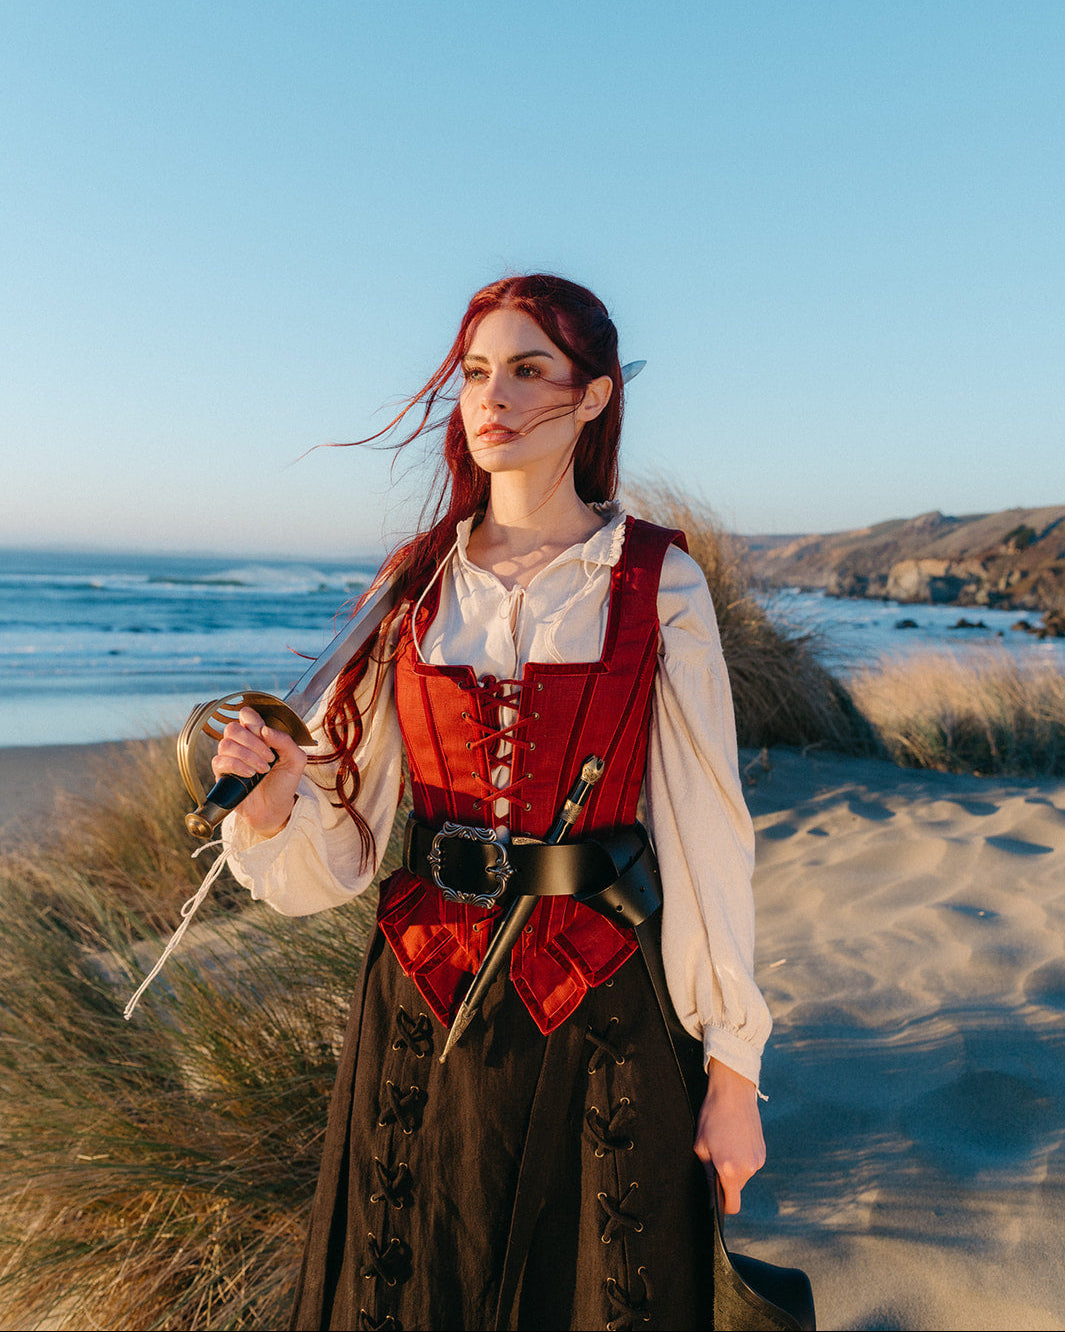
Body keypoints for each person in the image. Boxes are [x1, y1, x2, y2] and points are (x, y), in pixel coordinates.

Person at [214, 274, 771, 1331]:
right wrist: (278, 795)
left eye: (528, 370)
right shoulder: (415, 587)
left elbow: (708, 834)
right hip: (422, 1006)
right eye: (475, 372)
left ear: (596, 397)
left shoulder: (657, 583)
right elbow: (347, 840)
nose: (491, 399)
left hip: (600, 1000)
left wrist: (734, 1069)